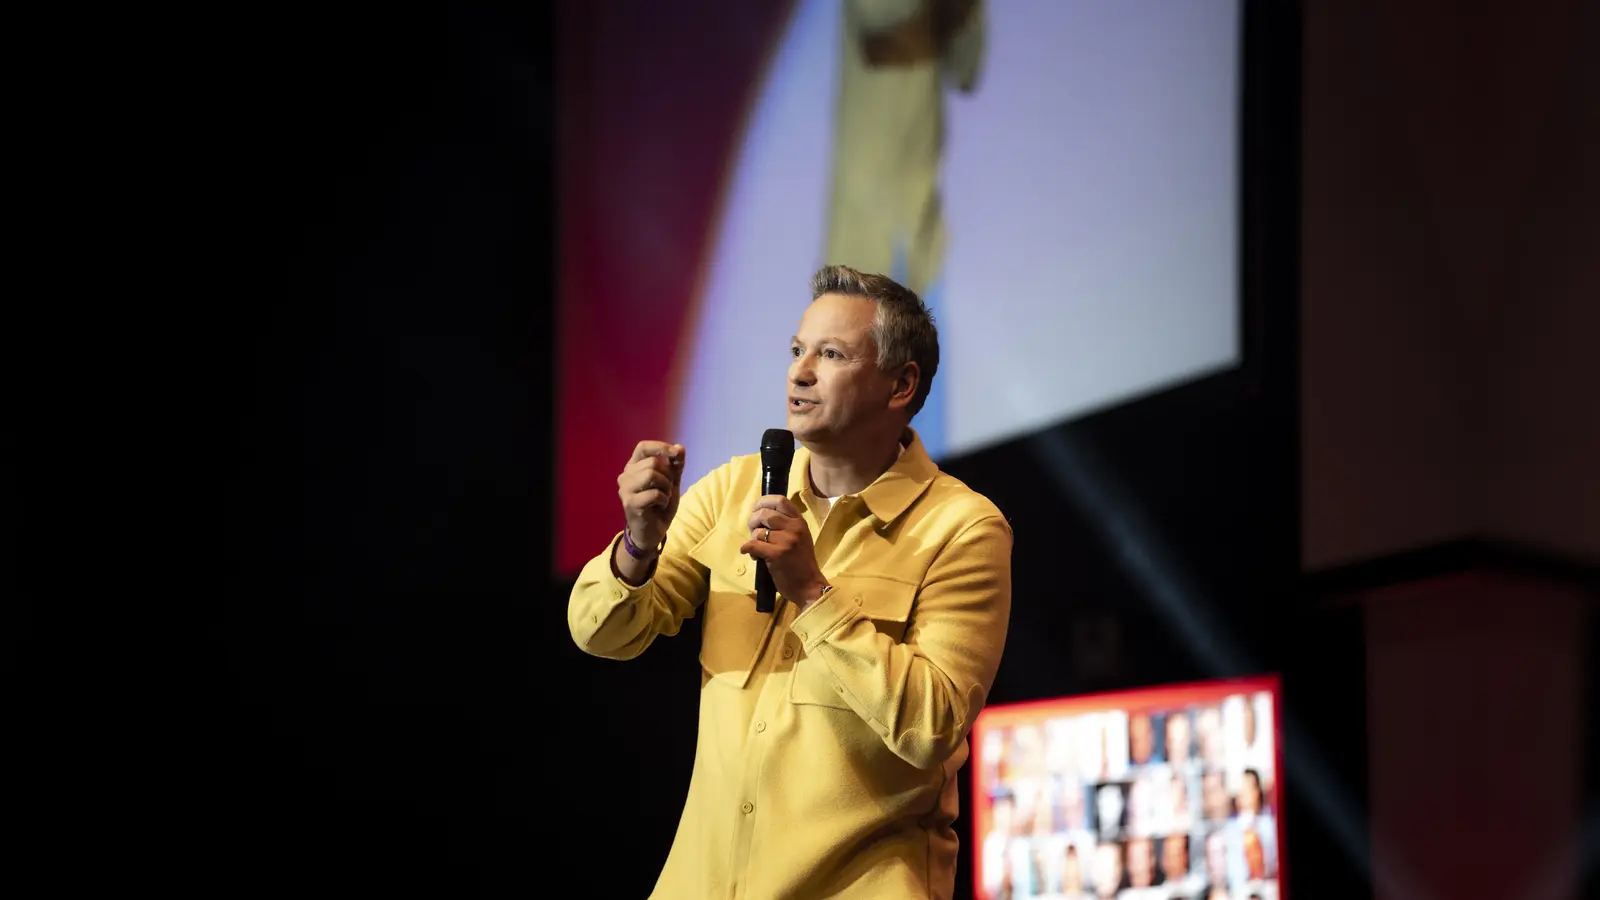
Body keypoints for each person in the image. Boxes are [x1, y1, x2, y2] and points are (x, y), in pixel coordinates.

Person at [568, 265, 1013, 899]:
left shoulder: (962, 528)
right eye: (798, 351)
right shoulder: (730, 490)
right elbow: (600, 634)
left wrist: (814, 594)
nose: (799, 373)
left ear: (900, 383)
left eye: (831, 354)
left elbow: (933, 726)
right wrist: (639, 543)